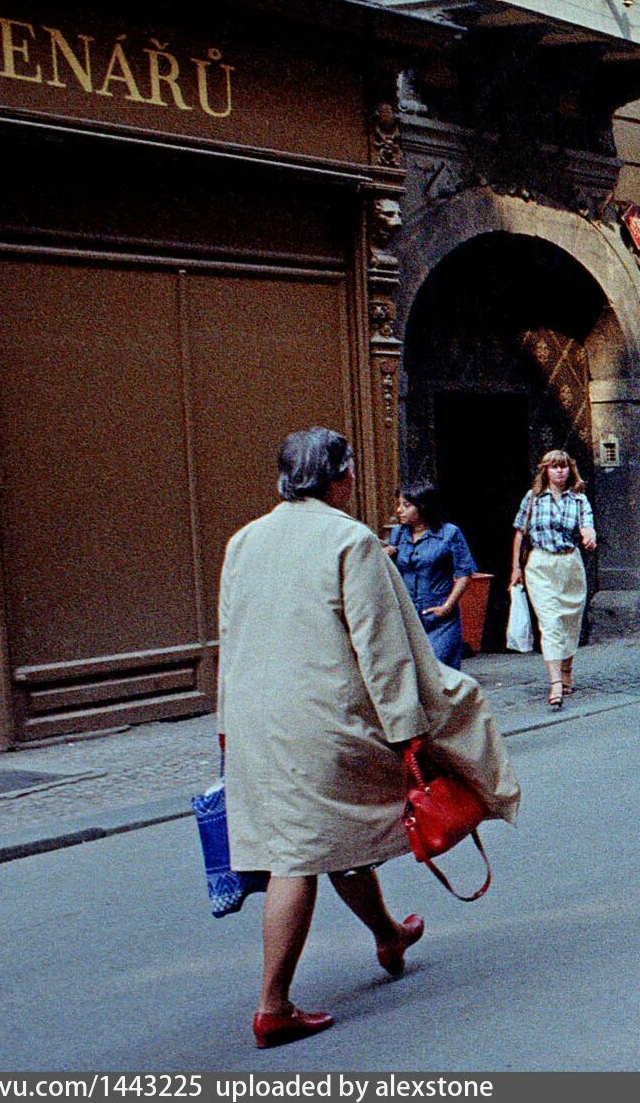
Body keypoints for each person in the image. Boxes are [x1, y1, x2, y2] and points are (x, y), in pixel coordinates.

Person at [219, 428, 520, 1049]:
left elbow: (233, 639)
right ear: (337, 477)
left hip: (256, 720)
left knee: (326, 832)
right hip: (324, 720)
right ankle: (273, 1006)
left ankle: (387, 933)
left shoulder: (243, 541)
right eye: (350, 470)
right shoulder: (350, 541)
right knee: (298, 857)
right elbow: (382, 649)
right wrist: (408, 730)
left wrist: (226, 726)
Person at [509, 449, 596, 710]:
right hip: (541, 564)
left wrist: (588, 534)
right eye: (554, 467)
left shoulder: (578, 499)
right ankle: (555, 682)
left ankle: (567, 669)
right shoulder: (533, 498)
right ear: (545, 471)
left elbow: (587, 524)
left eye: (564, 467)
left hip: (569, 564)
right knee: (550, 621)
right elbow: (519, 533)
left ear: (571, 470)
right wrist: (516, 568)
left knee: (570, 620)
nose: (559, 471)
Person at [385, 483, 479, 670]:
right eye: (399, 504)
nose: (399, 510)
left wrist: (447, 606)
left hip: (439, 617)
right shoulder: (397, 534)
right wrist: (384, 555)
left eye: (406, 505)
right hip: (408, 615)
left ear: (422, 506)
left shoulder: (449, 533)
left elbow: (464, 573)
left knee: (440, 672)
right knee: (411, 675)